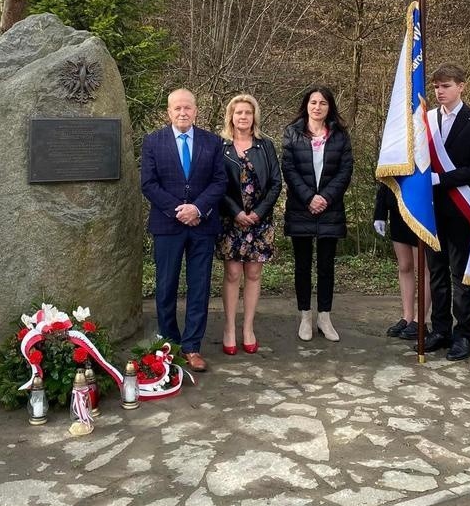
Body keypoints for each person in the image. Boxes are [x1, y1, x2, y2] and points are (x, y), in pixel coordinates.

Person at [141, 88, 226, 372]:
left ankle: (192, 347)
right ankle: (168, 346)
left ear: (196, 110)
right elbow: (149, 184)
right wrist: (179, 209)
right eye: (177, 108)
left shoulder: (212, 142)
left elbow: (219, 182)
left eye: (187, 108)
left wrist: (197, 209)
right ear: (169, 112)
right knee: (166, 286)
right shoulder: (154, 142)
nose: (182, 112)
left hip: (202, 226)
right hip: (167, 225)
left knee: (199, 287)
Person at [424, 64, 470, 361]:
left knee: (460, 274)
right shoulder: (425, 121)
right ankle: (440, 329)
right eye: (437, 86)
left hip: (461, 208)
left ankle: (463, 333)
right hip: (431, 210)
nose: (440, 91)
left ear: (461, 86)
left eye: (446, 85)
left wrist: (442, 179)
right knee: (436, 272)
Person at [282, 85, 353, 342]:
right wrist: (309, 197)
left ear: (329, 107)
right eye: (313, 102)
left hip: (330, 209)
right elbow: (288, 169)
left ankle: (324, 316)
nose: (317, 107)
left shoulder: (340, 135)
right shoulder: (292, 133)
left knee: (326, 266)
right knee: (302, 266)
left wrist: (325, 198)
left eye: (323, 103)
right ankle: (305, 316)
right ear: (306, 105)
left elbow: (345, 170)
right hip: (301, 208)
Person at [217, 94, 282, 355]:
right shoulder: (220, 147)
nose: (243, 117)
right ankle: (230, 328)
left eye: (248, 112)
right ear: (230, 117)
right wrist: (236, 212)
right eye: (238, 112)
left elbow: (276, 182)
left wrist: (258, 212)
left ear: (254, 116)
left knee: (253, 275)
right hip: (231, 222)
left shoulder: (265, 146)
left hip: (260, 222)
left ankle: (248, 328)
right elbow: (216, 184)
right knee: (233, 275)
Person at [373, 182, 429, 340]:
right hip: (397, 211)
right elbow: (385, 180)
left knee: (423, 268)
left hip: (419, 210)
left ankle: (420, 320)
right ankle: (407, 317)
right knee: (404, 266)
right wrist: (380, 213)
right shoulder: (391, 155)